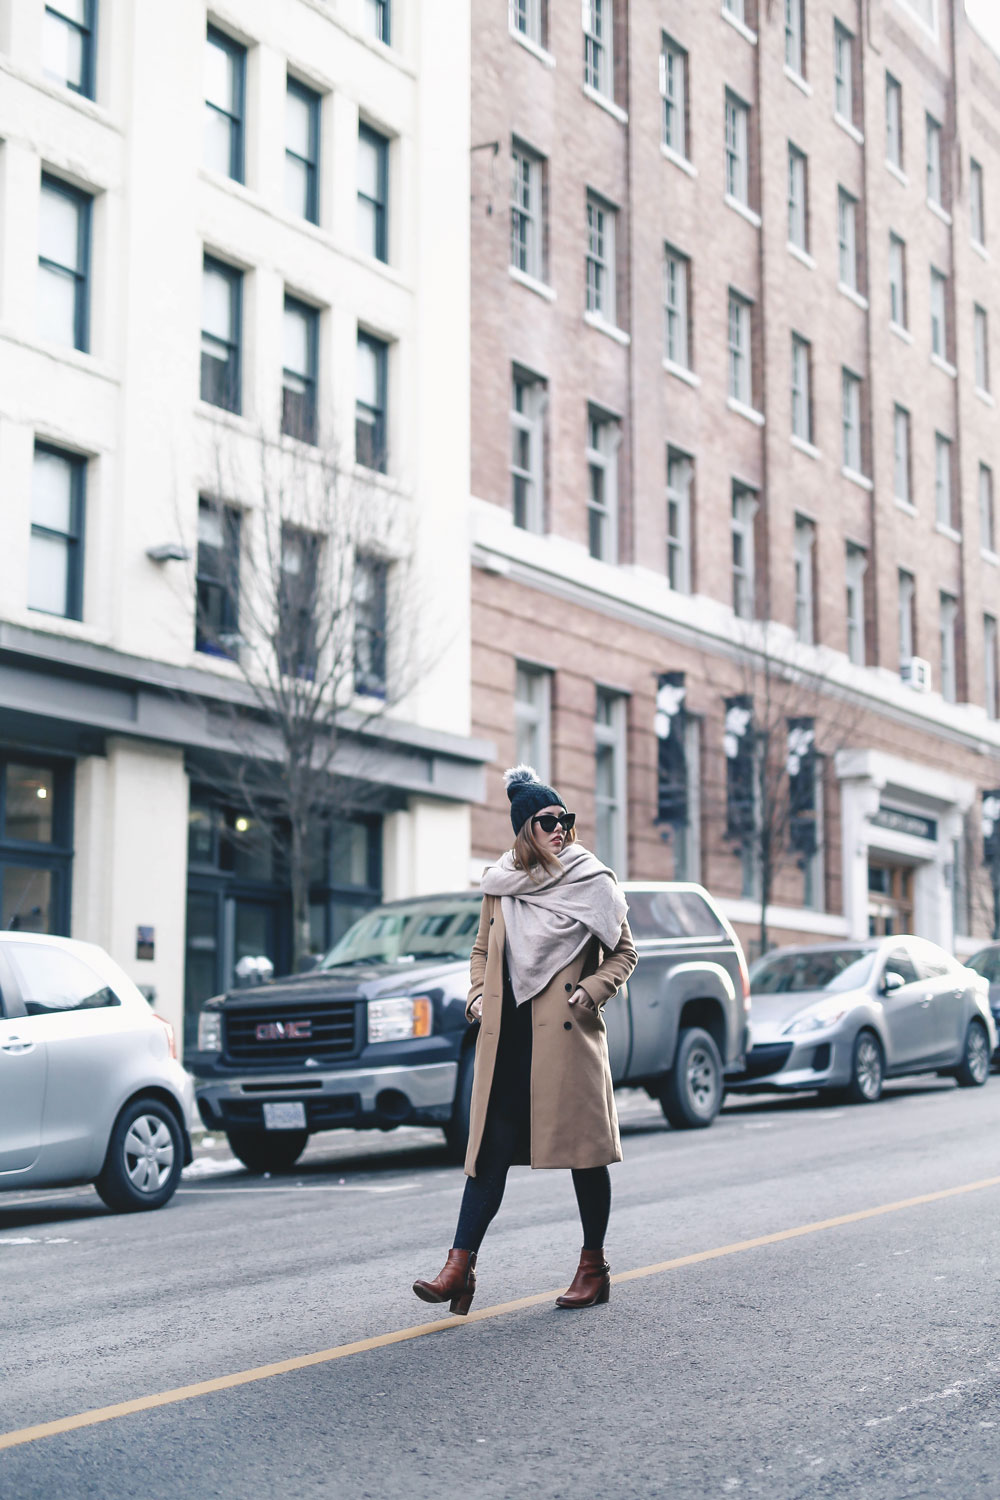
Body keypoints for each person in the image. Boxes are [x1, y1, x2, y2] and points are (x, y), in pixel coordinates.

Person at [412, 765, 637, 1317]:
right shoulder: (500, 885)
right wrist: (475, 997)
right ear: (524, 829)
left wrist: (592, 988)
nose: (560, 829)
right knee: (487, 1155)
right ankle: (458, 1270)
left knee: (586, 1159)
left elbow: (625, 951)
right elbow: (482, 951)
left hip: (565, 1037)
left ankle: (594, 1267)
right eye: (547, 821)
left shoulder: (593, 879)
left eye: (566, 820)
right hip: (507, 1038)